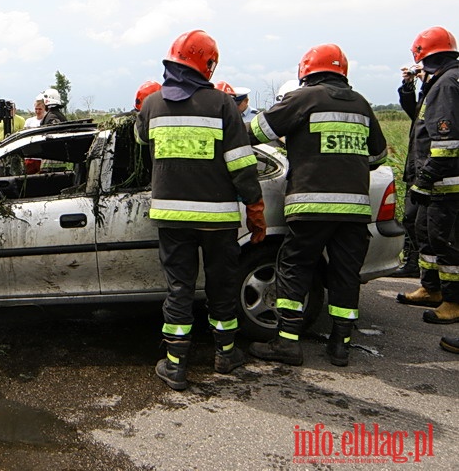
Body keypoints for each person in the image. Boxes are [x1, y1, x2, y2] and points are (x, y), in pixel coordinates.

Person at [136, 29, 266, 391]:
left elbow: (140, 139)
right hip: (217, 220)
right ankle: (226, 354)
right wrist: (255, 210)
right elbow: (242, 164)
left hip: (172, 217)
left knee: (179, 287)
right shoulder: (222, 105)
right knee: (221, 286)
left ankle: (175, 365)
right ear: (206, 65)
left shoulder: (152, 105)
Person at [248, 44, 388, 367]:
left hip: (309, 206)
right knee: (345, 274)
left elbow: (256, 131)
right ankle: (340, 345)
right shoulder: (362, 105)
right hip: (353, 211)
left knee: (295, 268)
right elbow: (378, 156)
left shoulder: (302, 98)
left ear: (306, 71)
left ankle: (287, 343)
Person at [405, 26, 459, 325]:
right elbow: (419, 120)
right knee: (427, 233)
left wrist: (425, 180)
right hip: (439, 180)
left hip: (445, 183)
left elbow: (446, 142)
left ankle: (453, 301)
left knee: (446, 241)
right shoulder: (444, 80)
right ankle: (432, 288)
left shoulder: (446, 84)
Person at [392, 63, 433, 283]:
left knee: (419, 220)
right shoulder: (429, 93)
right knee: (410, 218)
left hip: (429, 169)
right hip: (416, 167)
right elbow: (414, 112)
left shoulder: (444, 90)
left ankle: (421, 267)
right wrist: (408, 86)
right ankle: (412, 262)